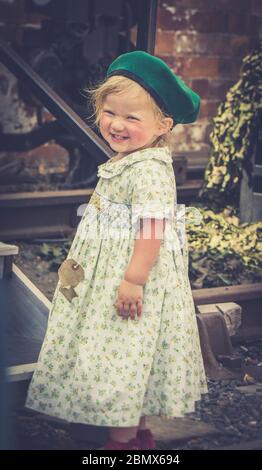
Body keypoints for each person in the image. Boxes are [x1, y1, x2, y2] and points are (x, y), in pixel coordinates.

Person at [25, 51, 208, 450]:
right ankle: (136, 432)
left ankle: (122, 443)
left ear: (163, 125)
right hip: (111, 277)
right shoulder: (131, 159)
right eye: (110, 112)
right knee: (125, 352)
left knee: (121, 354)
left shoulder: (148, 169)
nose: (116, 125)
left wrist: (133, 279)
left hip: (129, 280)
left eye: (132, 118)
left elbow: (155, 227)